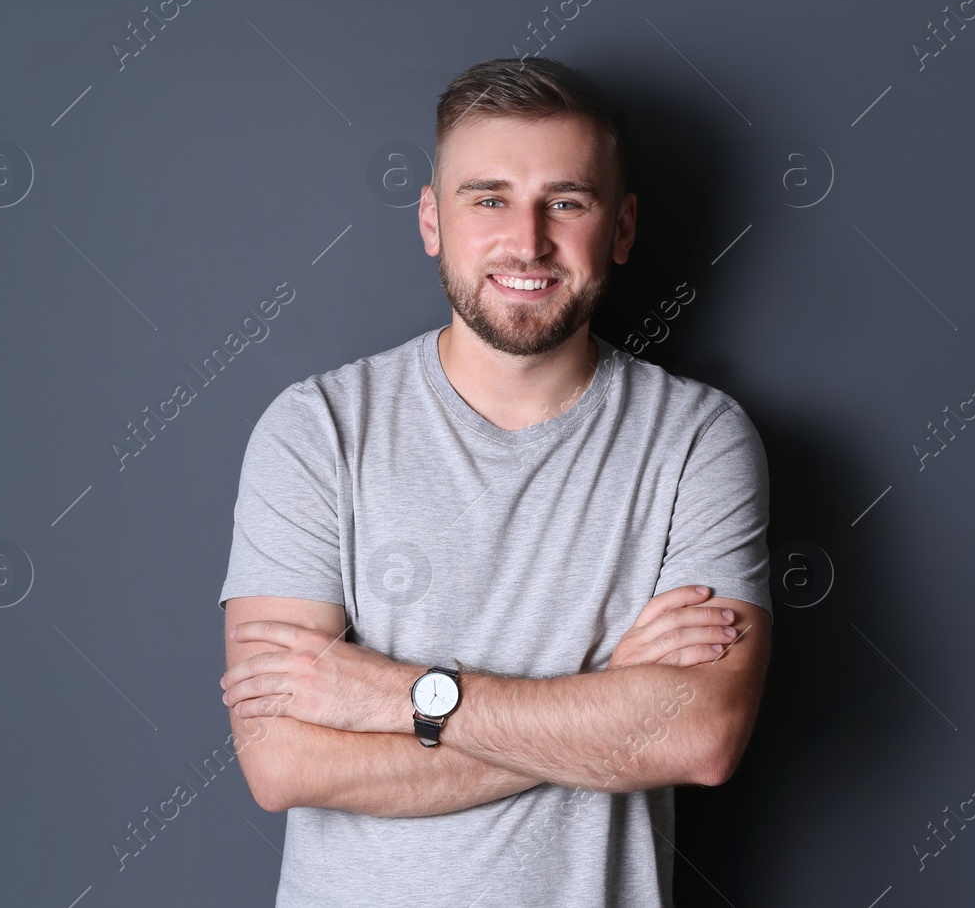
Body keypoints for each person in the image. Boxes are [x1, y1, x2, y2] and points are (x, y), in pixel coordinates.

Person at [216, 56, 773, 906]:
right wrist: (607, 710)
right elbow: (281, 760)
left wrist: (399, 696)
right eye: (489, 198)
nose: (527, 240)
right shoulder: (315, 429)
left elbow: (699, 735)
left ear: (621, 229)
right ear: (432, 220)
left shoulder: (698, 439)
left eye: (566, 201)